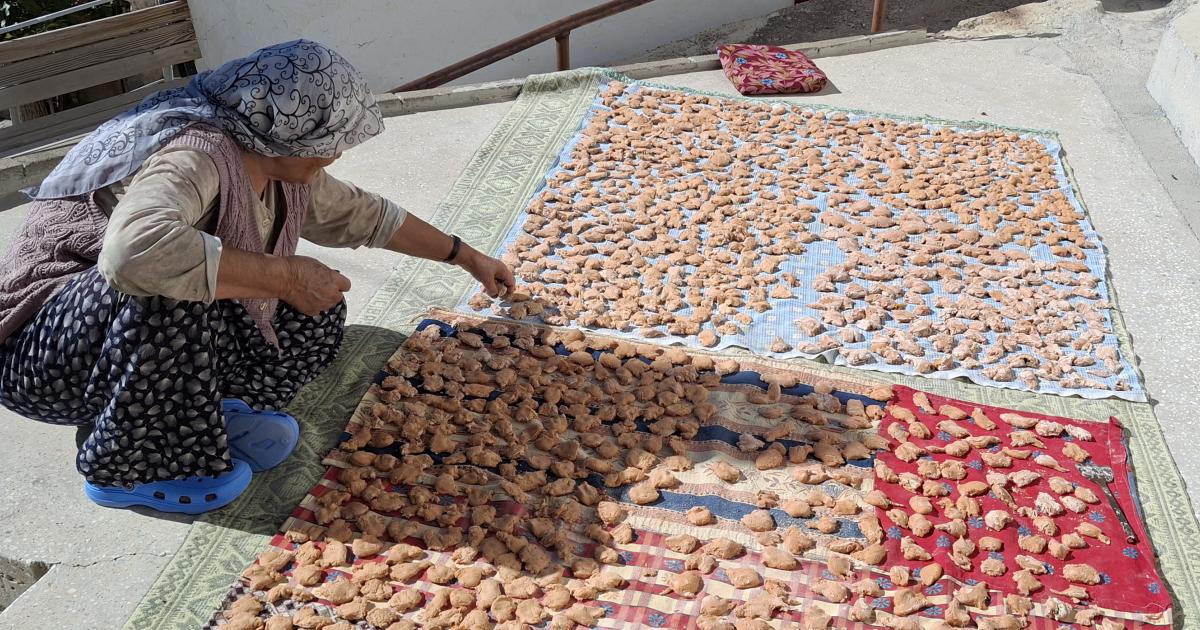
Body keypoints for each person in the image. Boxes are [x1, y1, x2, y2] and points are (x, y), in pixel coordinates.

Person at [0, 39, 514, 514]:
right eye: (328, 140)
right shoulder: (194, 155)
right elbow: (133, 255)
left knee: (318, 300)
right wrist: (283, 276)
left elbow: (364, 215)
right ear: (285, 128)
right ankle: (127, 468)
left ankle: (204, 409)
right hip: (46, 357)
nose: (333, 153)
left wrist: (465, 256)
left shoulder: (272, 159)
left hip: (124, 346)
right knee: (172, 282)